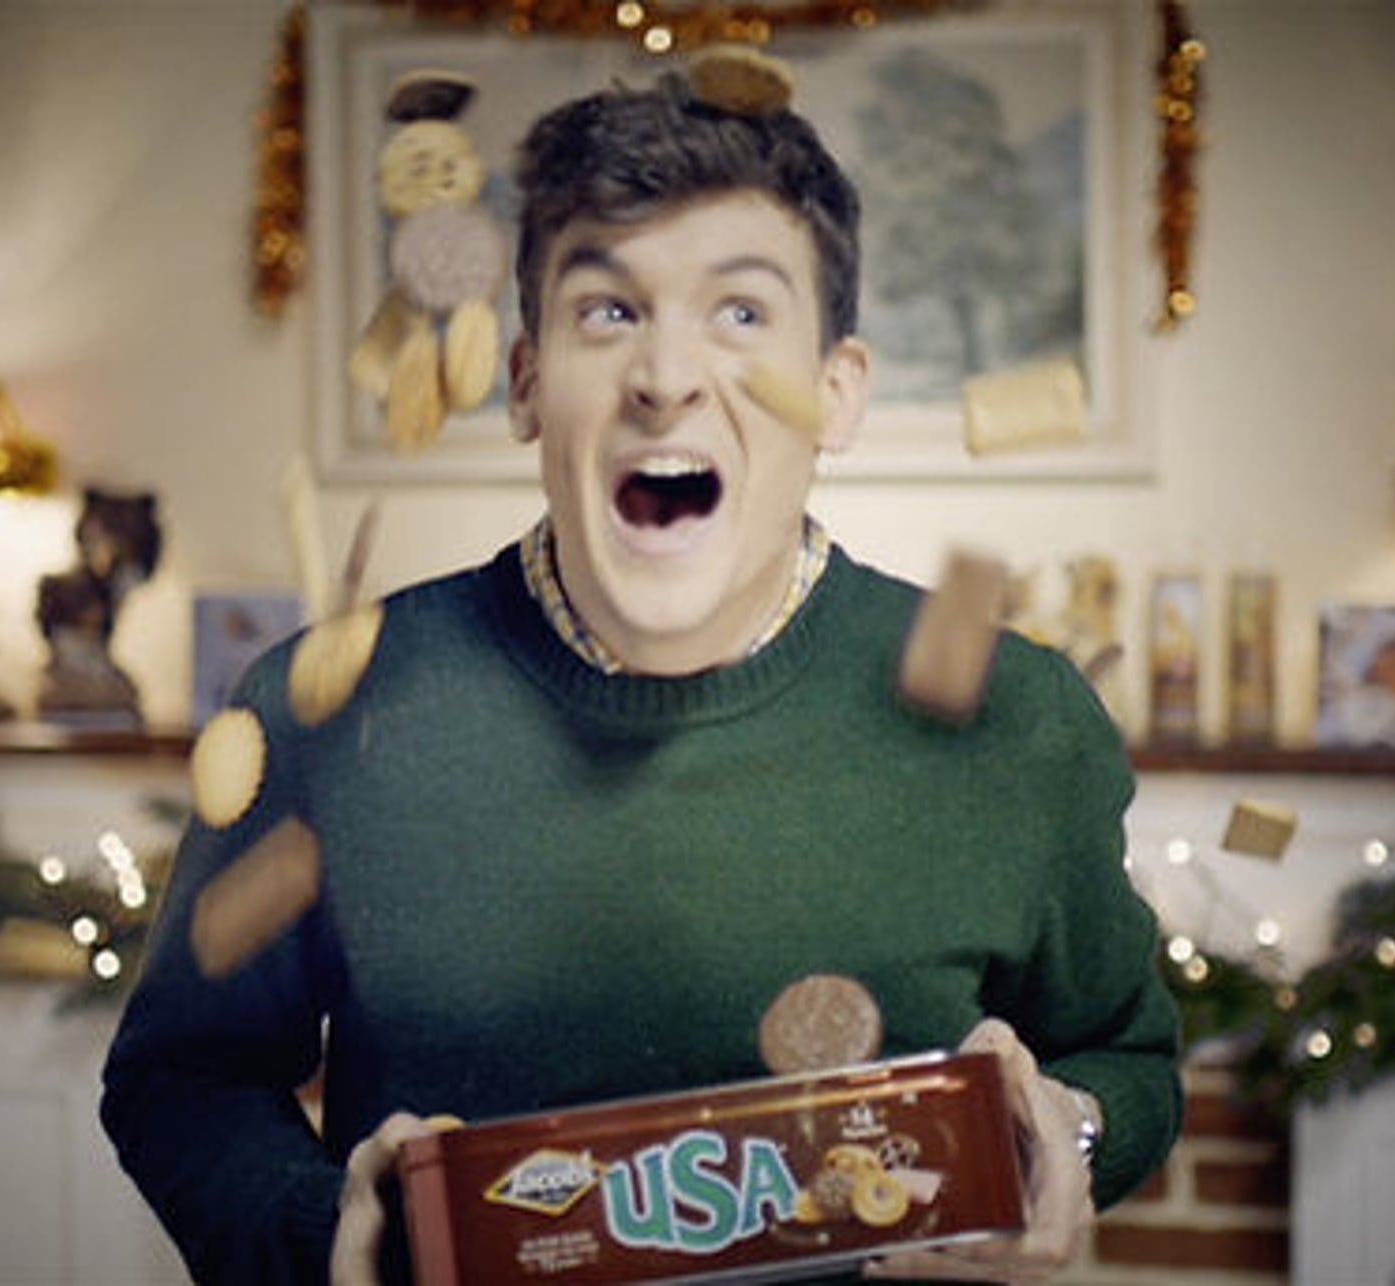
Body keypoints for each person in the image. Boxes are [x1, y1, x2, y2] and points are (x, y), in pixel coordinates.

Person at [102, 60, 1182, 1284]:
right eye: (608, 311)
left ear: (835, 395)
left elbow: (1127, 1059)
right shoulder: (328, 714)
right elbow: (180, 1079)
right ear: (526, 383)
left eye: (742, 313)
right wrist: (324, 1231)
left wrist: (1068, 1134)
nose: (667, 377)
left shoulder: (1016, 719)